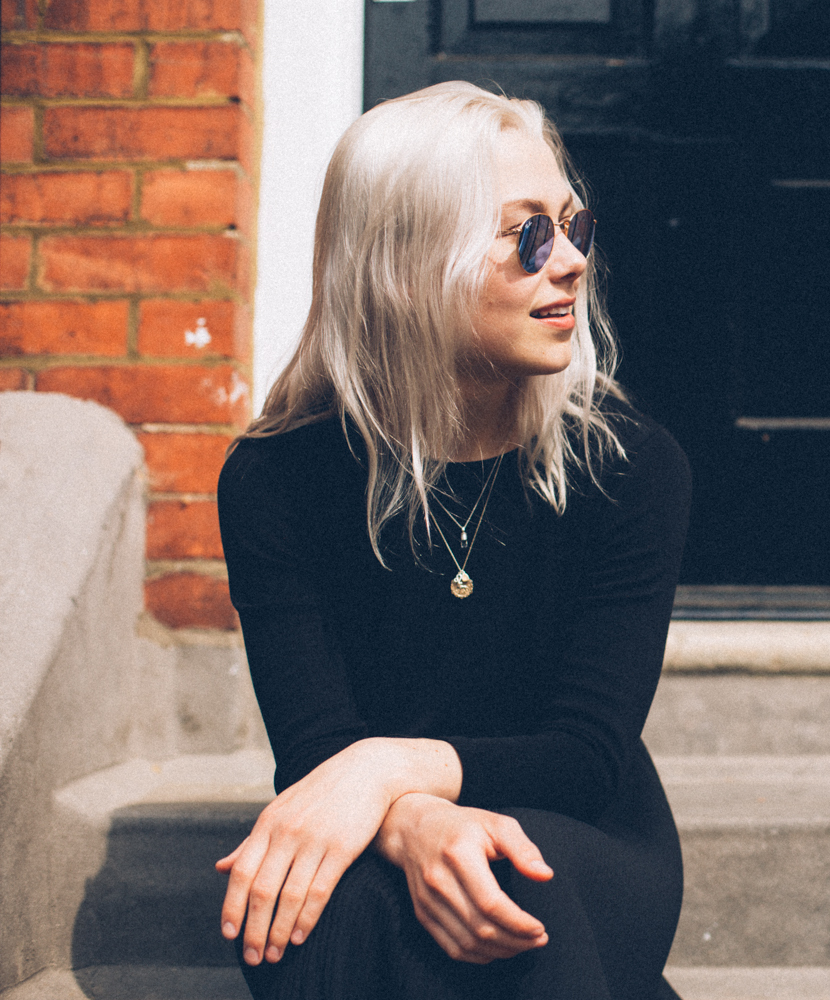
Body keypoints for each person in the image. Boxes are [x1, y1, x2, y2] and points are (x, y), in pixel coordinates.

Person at [214, 81, 691, 999]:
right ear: (407, 262)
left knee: (512, 879)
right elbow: (316, 749)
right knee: (300, 919)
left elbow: (584, 757)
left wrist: (389, 766)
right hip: (379, 829)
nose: (571, 262)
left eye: (573, 226)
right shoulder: (276, 481)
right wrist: (411, 821)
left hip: (581, 829)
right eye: (528, 235)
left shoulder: (629, 467)